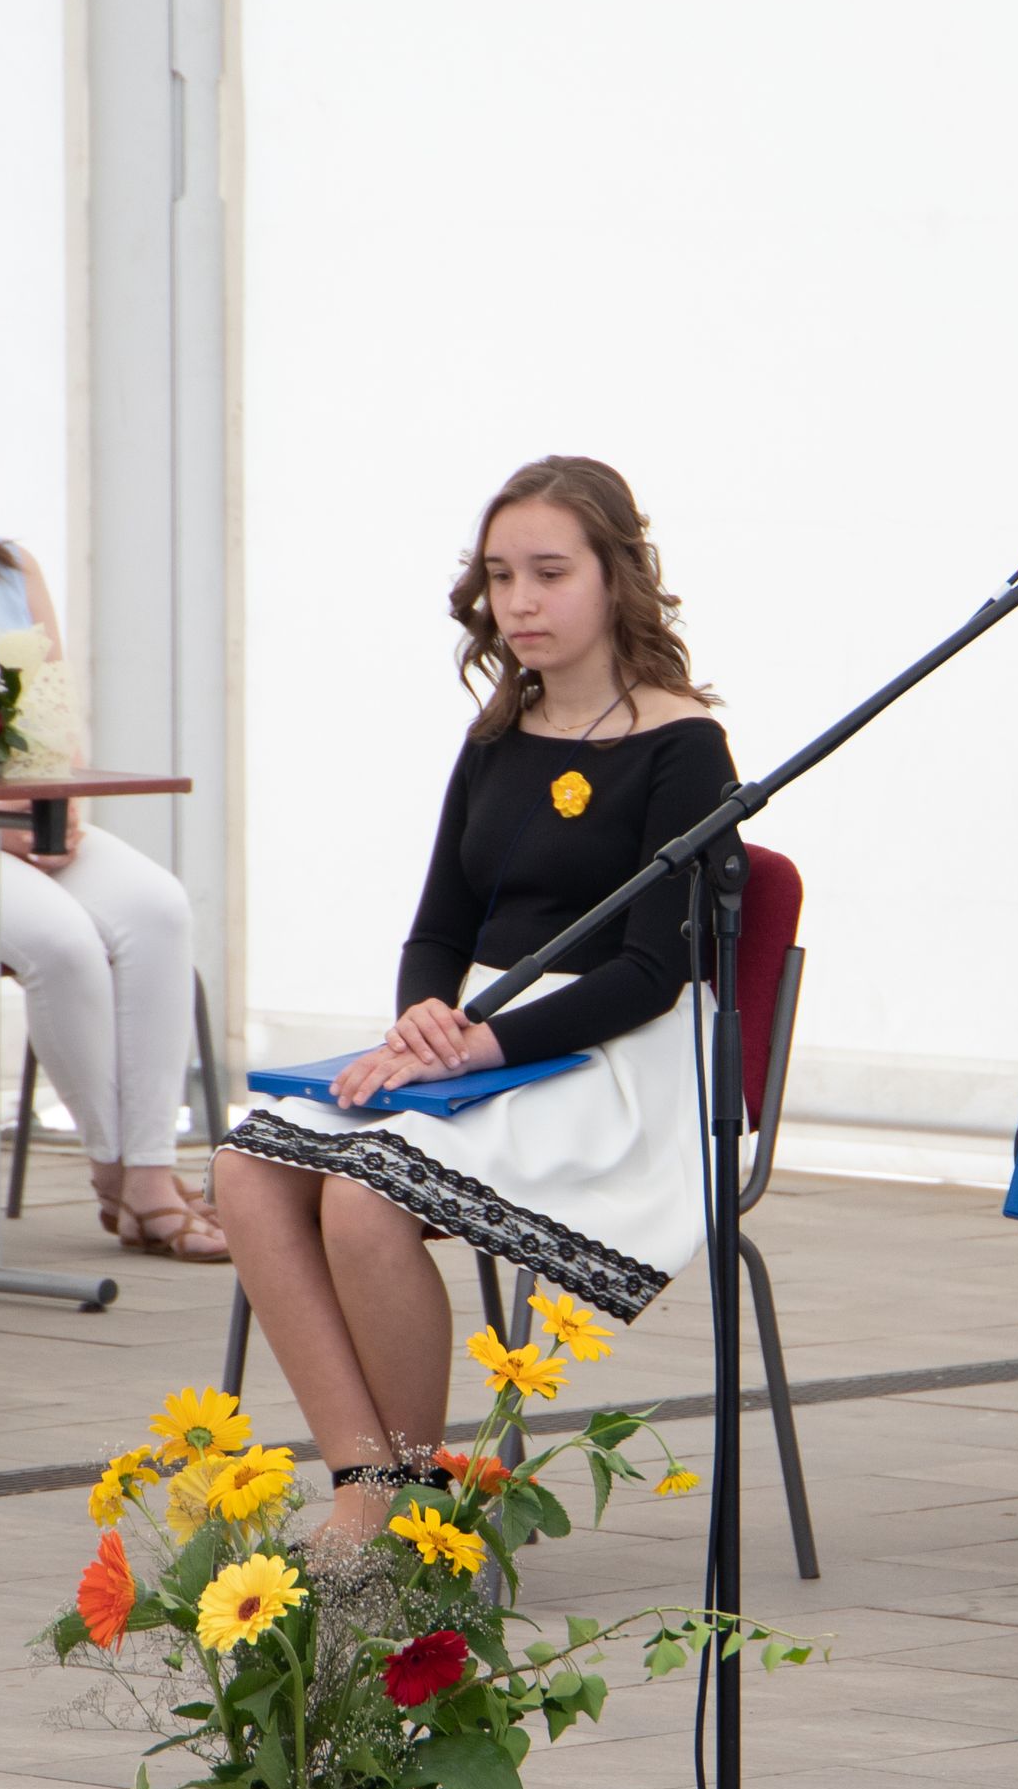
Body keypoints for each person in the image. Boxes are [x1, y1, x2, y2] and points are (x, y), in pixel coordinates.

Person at [214, 458, 736, 1549]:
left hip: (614, 1057)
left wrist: (478, 1044)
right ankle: (368, 1482)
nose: (519, 602)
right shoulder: (499, 735)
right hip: (484, 1041)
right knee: (246, 1170)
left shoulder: (686, 747)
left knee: (362, 1198)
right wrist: (423, 1017)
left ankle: (420, 1505)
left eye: (549, 572)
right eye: (500, 577)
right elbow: (439, 930)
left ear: (617, 579)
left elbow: (651, 973)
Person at [0, 382, 228, 1261]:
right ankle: (125, 1179)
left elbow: (54, 715)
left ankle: (151, 1164)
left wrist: (64, 810)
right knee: (61, 941)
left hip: (28, 816)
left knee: (157, 907)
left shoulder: (12, 568)